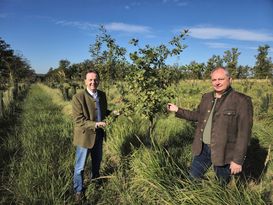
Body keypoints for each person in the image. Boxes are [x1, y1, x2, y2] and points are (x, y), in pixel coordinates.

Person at [167, 67, 253, 185]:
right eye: (214, 80)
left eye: (221, 79)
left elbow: (244, 133)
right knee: (192, 178)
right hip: (202, 148)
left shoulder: (241, 101)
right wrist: (177, 110)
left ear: (230, 79)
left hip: (224, 151)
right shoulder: (206, 97)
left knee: (221, 184)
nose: (217, 82)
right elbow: (198, 116)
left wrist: (237, 160)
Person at [72, 70, 109, 202]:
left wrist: (114, 113)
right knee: (80, 166)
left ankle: (95, 182)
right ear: (85, 81)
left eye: (96, 79)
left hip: (99, 135)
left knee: (97, 161)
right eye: (90, 80)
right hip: (84, 137)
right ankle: (78, 190)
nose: (93, 82)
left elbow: (104, 112)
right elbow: (78, 120)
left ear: (99, 80)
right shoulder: (78, 97)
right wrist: (95, 124)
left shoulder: (102, 95)